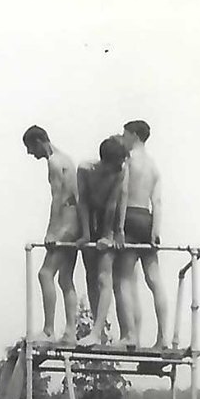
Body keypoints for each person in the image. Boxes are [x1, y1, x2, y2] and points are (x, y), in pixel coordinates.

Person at [22, 126, 84, 343]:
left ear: (39, 141)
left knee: (45, 274)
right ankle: (70, 331)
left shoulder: (55, 162)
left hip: (67, 220)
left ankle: (49, 330)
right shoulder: (67, 158)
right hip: (75, 219)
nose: (31, 153)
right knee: (65, 278)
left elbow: (57, 197)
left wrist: (51, 232)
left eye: (31, 147)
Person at [118, 119, 172, 349]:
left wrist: (118, 228)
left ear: (135, 135)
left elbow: (122, 193)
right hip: (147, 219)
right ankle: (163, 338)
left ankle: (131, 335)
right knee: (154, 279)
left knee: (125, 279)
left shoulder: (128, 161)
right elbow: (157, 202)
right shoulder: (153, 166)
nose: (123, 139)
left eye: (125, 135)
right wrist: (155, 233)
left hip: (129, 216)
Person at [76, 135, 131, 346]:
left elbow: (112, 204)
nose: (120, 167)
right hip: (90, 216)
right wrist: (86, 234)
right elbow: (83, 202)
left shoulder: (120, 171)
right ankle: (98, 332)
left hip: (108, 217)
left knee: (103, 276)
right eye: (116, 165)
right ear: (105, 162)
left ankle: (97, 331)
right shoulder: (85, 169)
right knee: (91, 276)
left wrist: (111, 234)